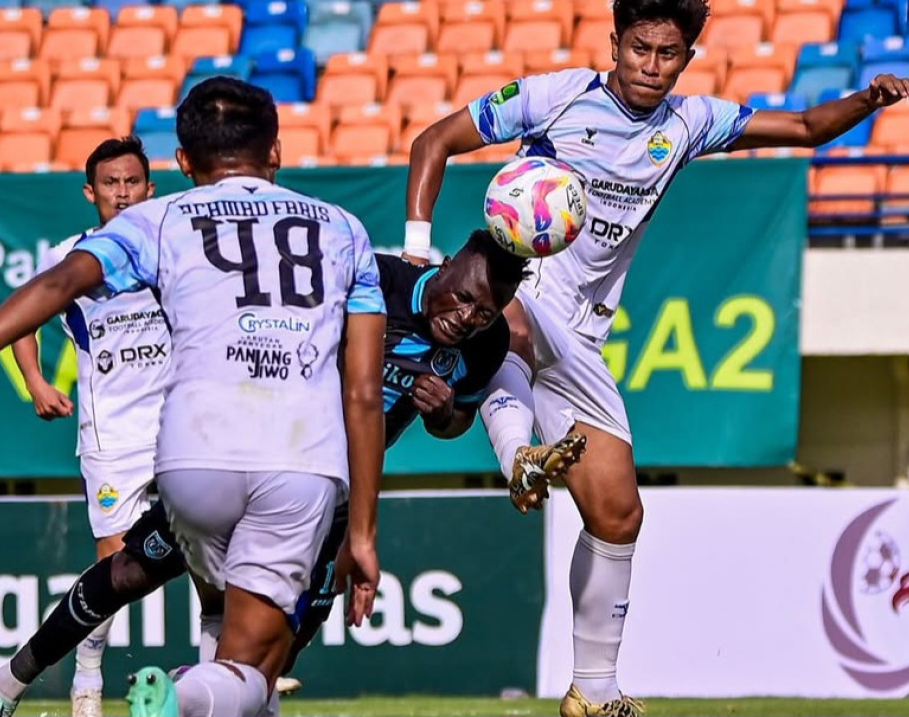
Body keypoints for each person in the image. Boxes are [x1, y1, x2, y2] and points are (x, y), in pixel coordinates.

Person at [400, 0, 909, 717]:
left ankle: (594, 691)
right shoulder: (557, 97)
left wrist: (868, 99)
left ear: (686, 58)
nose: (651, 64)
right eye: (639, 48)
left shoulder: (691, 122)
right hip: (520, 287)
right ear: (614, 44)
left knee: (619, 516)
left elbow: (804, 127)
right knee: (514, 324)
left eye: (667, 54)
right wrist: (418, 253)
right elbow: (435, 141)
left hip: (584, 334)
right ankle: (518, 458)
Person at [0, 76, 388, 717]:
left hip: (191, 459)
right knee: (253, 665)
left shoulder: (159, 218)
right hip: (297, 460)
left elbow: (60, 283)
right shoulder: (344, 231)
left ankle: (171, 693)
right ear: (276, 152)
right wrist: (363, 533)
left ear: (181, 162)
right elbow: (363, 392)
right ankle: (180, 694)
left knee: (226, 639)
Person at [120, 228, 582, 693]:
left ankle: (196, 689)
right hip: (271, 458)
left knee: (290, 640)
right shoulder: (377, 281)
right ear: (444, 268)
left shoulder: (488, 341)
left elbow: (456, 421)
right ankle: (132, 682)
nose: (468, 318)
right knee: (144, 573)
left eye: (484, 312)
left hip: (341, 489)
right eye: (463, 299)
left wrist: (443, 413)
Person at [9, 136, 164, 717]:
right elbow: (21, 320)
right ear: (89, 192)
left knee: (213, 549)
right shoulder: (69, 258)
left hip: (179, 427)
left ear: (150, 189)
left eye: (132, 182)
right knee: (114, 563)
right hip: (113, 435)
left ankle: (228, 671)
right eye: (110, 184)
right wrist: (36, 382)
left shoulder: (172, 247)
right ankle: (88, 679)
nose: (122, 193)